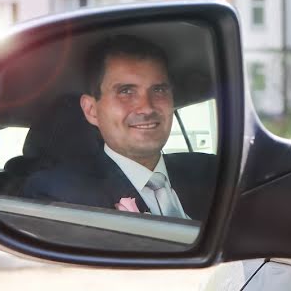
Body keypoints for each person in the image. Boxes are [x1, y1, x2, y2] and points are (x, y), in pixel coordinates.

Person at [21, 35, 215, 220]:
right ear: (91, 111)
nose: (146, 107)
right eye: (126, 91)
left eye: (159, 89)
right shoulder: (60, 194)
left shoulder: (210, 172)